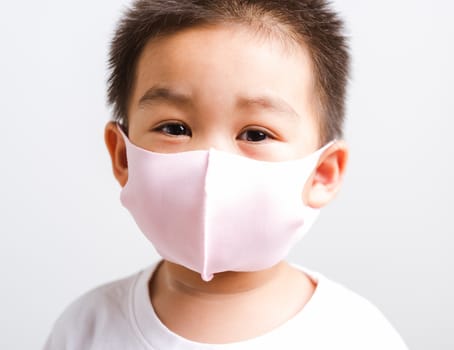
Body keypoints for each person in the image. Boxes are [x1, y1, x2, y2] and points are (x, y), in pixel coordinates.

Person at [44, 1, 408, 349]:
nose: (210, 163)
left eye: (255, 134)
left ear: (321, 173)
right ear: (123, 156)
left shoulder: (360, 336)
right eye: (174, 127)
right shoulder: (84, 329)